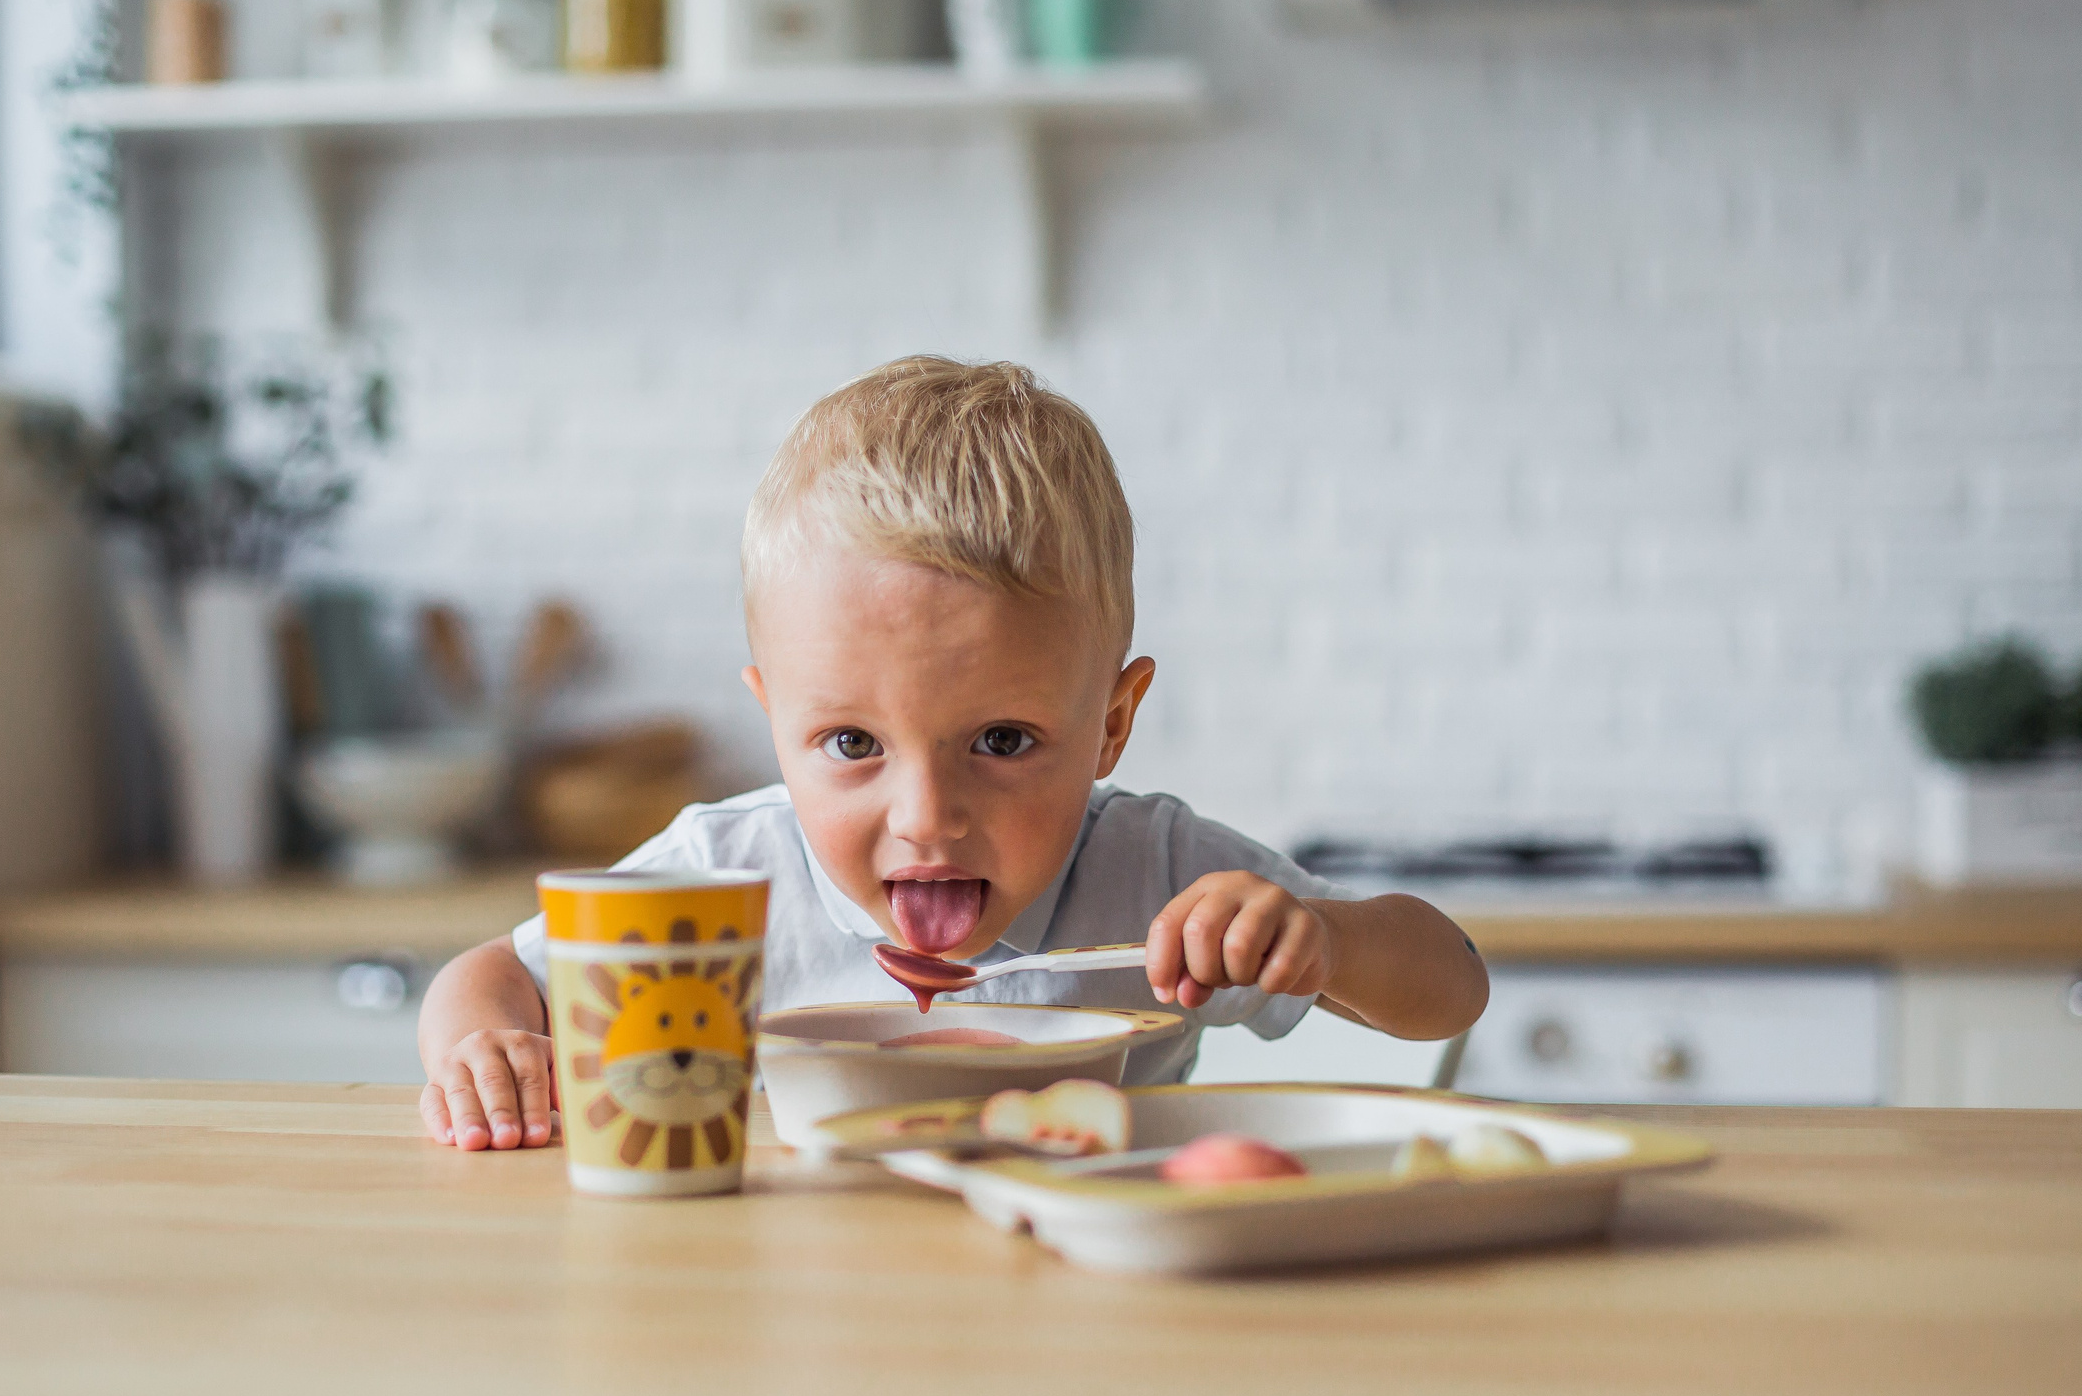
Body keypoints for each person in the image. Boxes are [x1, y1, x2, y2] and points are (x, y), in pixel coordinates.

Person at [414, 357, 1488, 1150]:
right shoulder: (720, 883)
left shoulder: (1161, 878)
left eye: (1004, 742)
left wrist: (1326, 944)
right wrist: (482, 1052)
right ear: (772, 723)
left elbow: (1450, 985)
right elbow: (499, 974)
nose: (926, 815)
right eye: (848, 744)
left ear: (1111, 724)